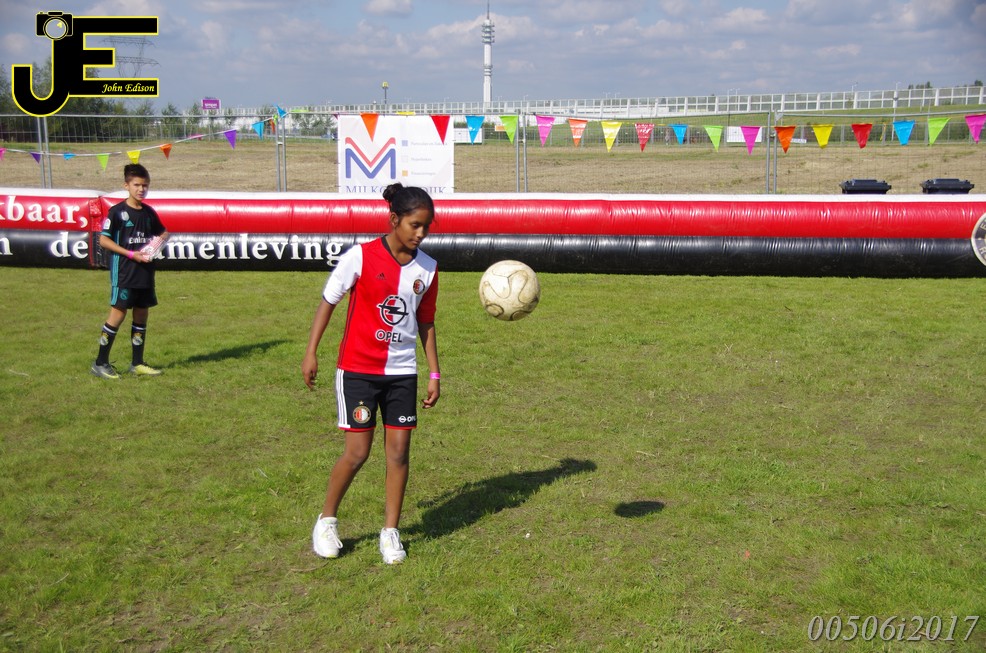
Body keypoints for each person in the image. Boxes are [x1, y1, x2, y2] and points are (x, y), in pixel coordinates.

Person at [302, 182, 441, 565]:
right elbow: (328, 301)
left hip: (402, 373)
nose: (421, 233)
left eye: (427, 226)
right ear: (394, 219)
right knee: (357, 452)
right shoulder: (359, 257)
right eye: (415, 225)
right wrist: (311, 352)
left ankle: (390, 532)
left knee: (398, 453)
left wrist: (434, 373)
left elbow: (426, 321)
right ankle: (326, 521)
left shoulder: (428, 268)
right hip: (358, 372)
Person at [90, 163, 170, 379]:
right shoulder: (117, 212)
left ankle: (137, 363)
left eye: (145, 185)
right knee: (118, 314)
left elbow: (163, 233)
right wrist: (131, 254)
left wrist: (156, 245)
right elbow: (104, 240)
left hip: (145, 272)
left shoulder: (149, 213)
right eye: (137, 185)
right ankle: (100, 363)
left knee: (142, 314)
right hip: (125, 272)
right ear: (126, 185)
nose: (141, 189)